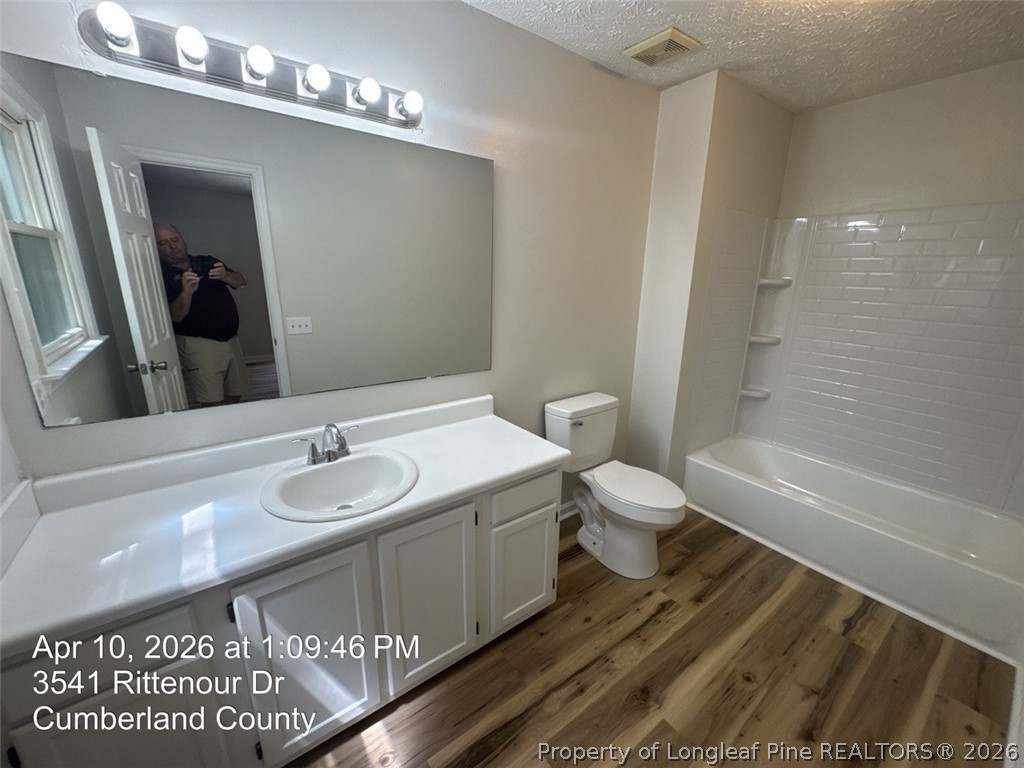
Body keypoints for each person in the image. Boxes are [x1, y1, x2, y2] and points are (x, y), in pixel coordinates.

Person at [155, 222, 249, 407]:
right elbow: (176, 317)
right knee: (211, 400)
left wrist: (225, 276)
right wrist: (186, 292)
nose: (173, 246)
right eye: (163, 243)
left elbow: (241, 282)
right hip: (198, 344)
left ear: (183, 239)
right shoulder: (160, 275)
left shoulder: (206, 261)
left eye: (175, 239)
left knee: (236, 393)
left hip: (231, 339)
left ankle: (231, 425)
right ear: (155, 247)